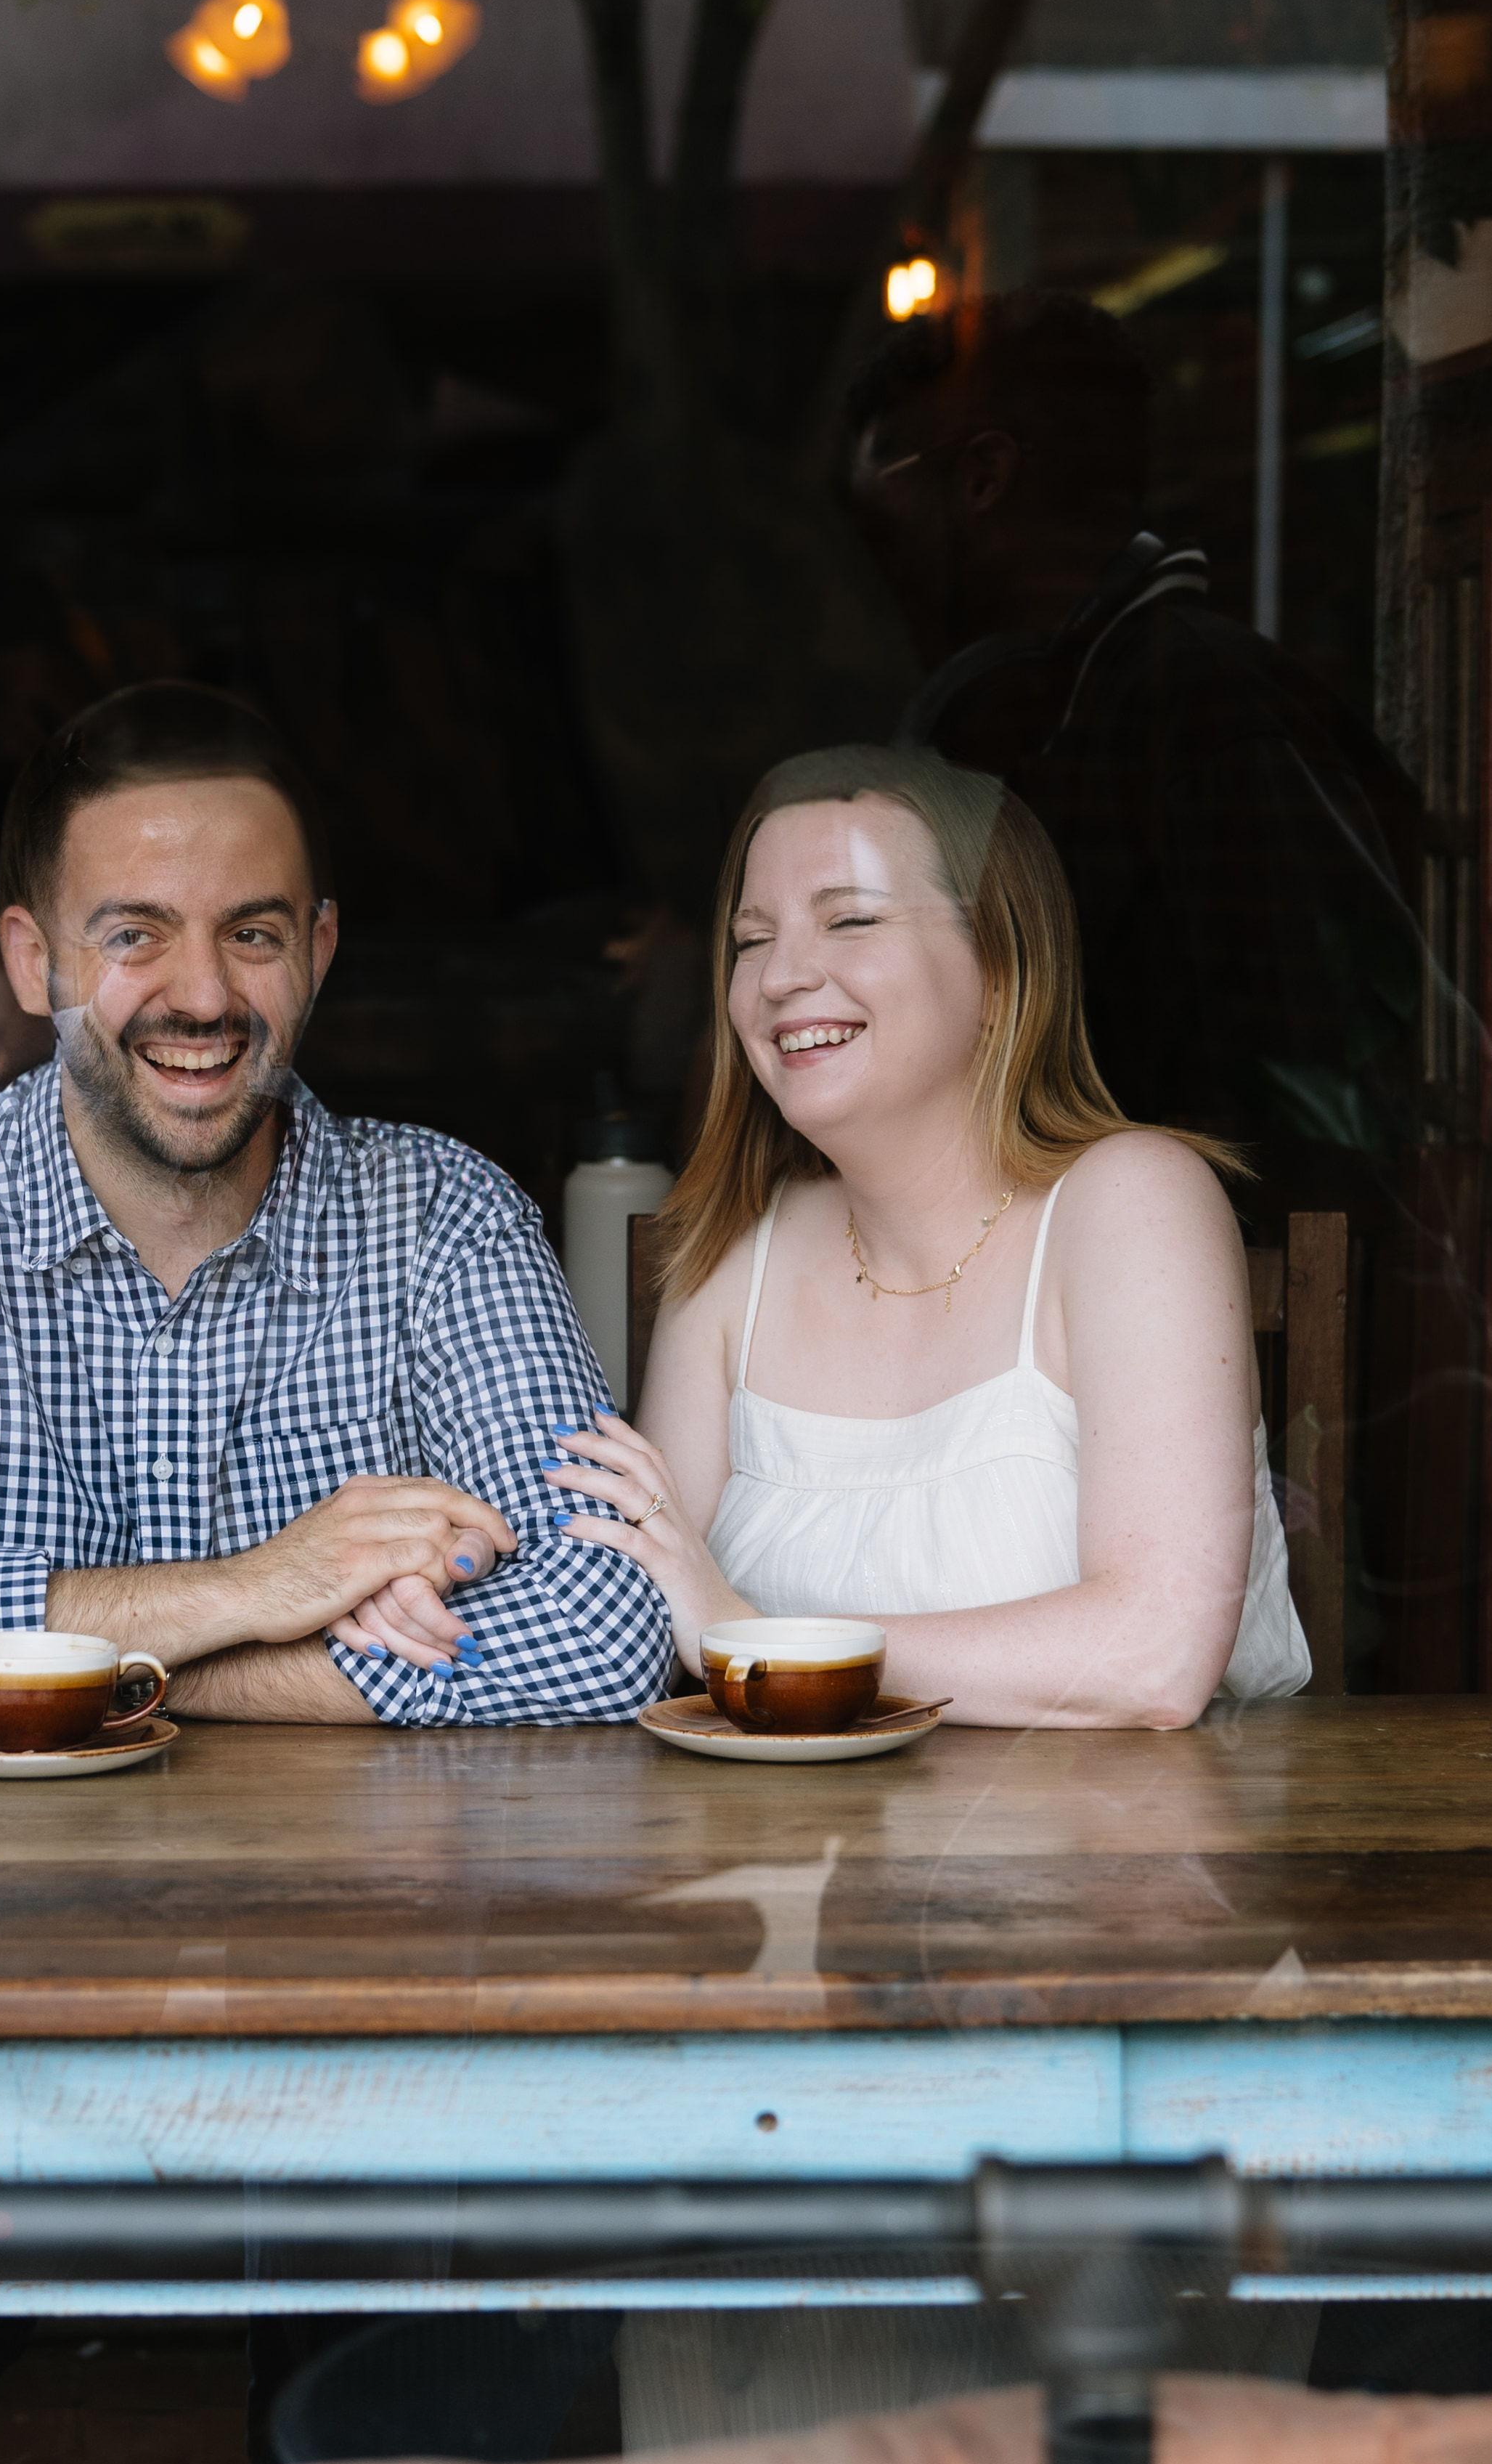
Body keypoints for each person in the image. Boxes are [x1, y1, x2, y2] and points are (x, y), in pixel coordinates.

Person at [0, 679, 665, 1733]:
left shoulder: (444, 1217)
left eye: (251, 933)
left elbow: (603, 1634)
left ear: (317, 952)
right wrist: (254, 1590)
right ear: (33, 961)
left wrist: (106, 1657)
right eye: (133, 936)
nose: (200, 995)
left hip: (344, 1892)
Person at [448, 741, 1310, 1728]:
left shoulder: (1133, 1200)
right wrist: (437, 1569)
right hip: (781, 1860)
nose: (779, 977)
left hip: (1114, 1859)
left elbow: (1149, 1658)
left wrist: (755, 1642)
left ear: (998, 965)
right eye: (750, 938)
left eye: (849, 919)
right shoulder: (734, 1254)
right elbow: (636, 1617)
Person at [843, 290, 1424, 1208]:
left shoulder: (1197, 712)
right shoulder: (1074, 707)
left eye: (876, 511)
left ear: (981, 478)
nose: (868, 561)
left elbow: (1316, 1102)